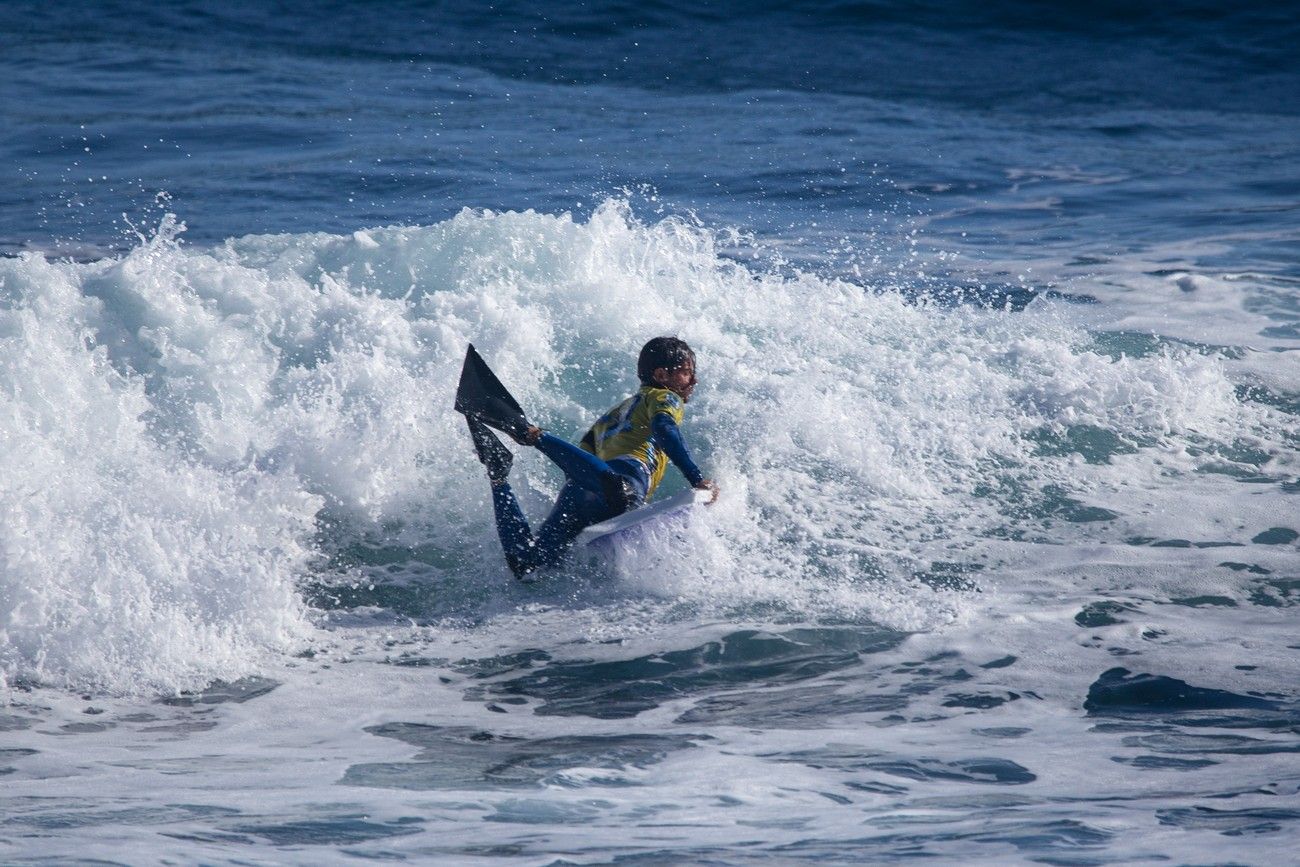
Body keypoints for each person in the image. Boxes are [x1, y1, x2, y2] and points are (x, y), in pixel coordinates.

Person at [465, 336, 718, 579]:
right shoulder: (666, 396)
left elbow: (577, 464)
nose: (693, 380)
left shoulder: (611, 416)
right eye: (686, 372)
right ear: (662, 375)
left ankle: (498, 476)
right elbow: (665, 429)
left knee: (527, 564)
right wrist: (696, 479)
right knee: (621, 491)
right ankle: (531, 434)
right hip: (618, 483)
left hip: (582, 489)